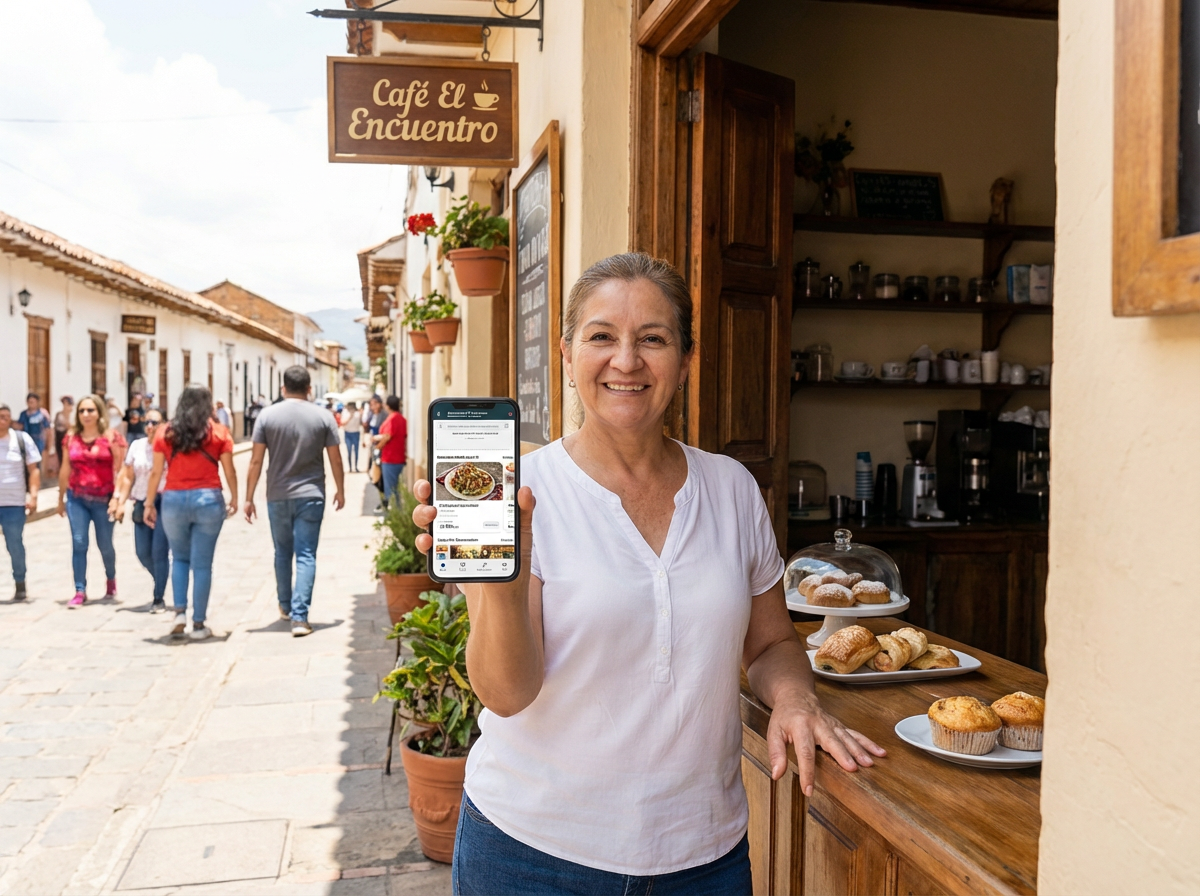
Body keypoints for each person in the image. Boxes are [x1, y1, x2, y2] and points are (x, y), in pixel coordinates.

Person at [411, 253, 884, 893]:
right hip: (530, 855)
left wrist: (797, 701)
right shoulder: (521, 495)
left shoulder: (732, 488)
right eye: (601, 336)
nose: (626, 361)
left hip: (703, 855)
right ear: (567, 352)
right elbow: (506, 693)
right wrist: (504, 587)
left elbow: (772, 641)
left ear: (686, 362)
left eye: (653, 339)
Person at [244, 366, 345, 637]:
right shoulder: (323, 416)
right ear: (309, 388)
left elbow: (255, 460)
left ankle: (285, 606)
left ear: (283, 388)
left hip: (277, 495)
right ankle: (300, 618)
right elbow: (335, 458)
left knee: (282, 552)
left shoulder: (266, 416)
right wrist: (341, 489)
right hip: (312, 495)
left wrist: (248, 497)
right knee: (306, 554)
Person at [144, 387, 237, 641]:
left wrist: (149, 504)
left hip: (173, 500)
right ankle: (199, 624)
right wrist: (236, 497)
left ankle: (179, 614)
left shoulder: (166, 432)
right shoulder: (218, 431)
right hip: (208, 499)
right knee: (203, 564)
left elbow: (156, 472)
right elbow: (229, 470)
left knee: (180, 559)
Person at [57, 394, 127, 607]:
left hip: (104, 499)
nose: (86, 415)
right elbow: (65, 468)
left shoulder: (111, 437)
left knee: (105, 544)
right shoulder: (71, 438)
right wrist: (60, 498)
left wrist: (118, 498)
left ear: (99, 413)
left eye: (90, 410)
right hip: (76, 498)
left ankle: (110, 578)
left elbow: (122, 470)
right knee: (79, 543)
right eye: (82, 411)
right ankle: (80, 590)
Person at [112, 407, 169, 612]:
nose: (151, 426)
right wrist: (119, 501)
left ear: (164, 424)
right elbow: (127, 476)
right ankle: (161, 577)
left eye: (155, 422)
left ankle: (159, 597)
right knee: (143, 552)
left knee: (159, 550)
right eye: (147, 423)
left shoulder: (170, 447)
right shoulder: (137, 446)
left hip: (163, 502)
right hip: (141, 501)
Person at [0, 405, 41, 601]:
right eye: (0, 416)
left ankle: (20, 582)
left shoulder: (21, 440)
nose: (3, 420)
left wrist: (33, 496)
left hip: (13, 503)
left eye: (7, 416)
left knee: (14, 544)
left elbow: (34, 469)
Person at [375, 396, 406, 504]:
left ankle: (392, 514)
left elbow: (387, 436)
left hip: (390, 458)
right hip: (399, 458)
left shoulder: (392, 419)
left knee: (390, 490)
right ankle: (396, 512)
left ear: (388, 406)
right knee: (395, 488)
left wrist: (378, 446)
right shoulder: (402, 419)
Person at [16, 393, 51, 458]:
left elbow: (47, 429)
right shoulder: (23, 414)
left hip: (39, 442)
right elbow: (20, 427)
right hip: (26, 441)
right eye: (29, 402)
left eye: (33, 402)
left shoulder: (42, 414)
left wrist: (48, 444)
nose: (31, 404)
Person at [341, 402, 362, 472]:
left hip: (356, 433)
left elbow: (361, 423)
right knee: (349, 451)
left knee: (356, 451)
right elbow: (342, 423)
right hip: (348, 433)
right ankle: (350, 467)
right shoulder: (345, 412)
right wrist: (350, 417)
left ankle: (356, 467)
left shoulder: (357, 413)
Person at [53, 396, 73, 467]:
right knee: (60, 456)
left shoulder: (73, 415)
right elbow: (55, 428)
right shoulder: (59, 414)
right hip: (59, 437)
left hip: (69, 437)